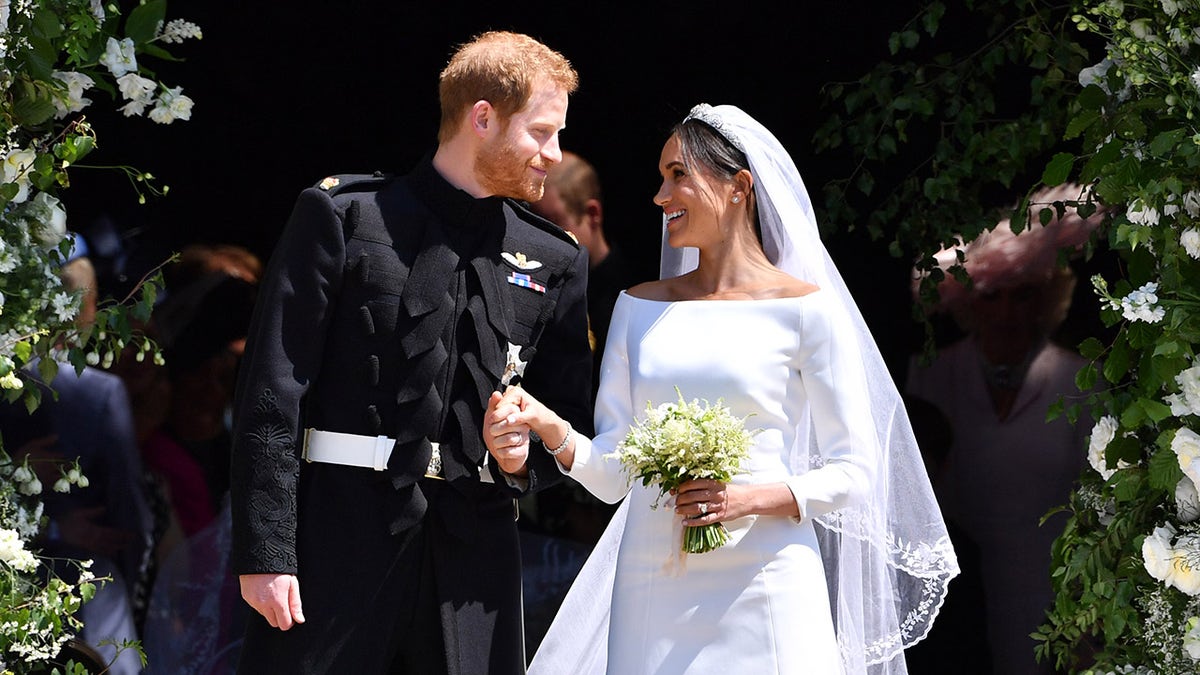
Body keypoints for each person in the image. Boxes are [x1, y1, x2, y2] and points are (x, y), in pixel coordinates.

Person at [484, 104, 959, 674]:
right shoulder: (637, 308)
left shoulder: (807, 312)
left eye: (678, 174)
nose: (661, 196)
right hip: (651, 586)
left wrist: (745, 499)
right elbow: (613, 476)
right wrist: (551, 428)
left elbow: (855, 472)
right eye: (661, 177)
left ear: (739, 186)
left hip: (769, 580)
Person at [228, 31, 593, 674]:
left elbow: (567, 414)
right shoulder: (344, 215)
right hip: (335, 542)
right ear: (483, 117)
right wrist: (266, 551)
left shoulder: (557, 259)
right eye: (540, 132)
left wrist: (522, 458)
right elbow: (272, 389)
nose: (553, 155)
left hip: (476, 563)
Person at [905, 185, 1100, 675]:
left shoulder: (1082, 380)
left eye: (1024, 295)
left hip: (1056, 596)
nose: (1009, 313)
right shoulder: (929, 375)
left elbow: (1100, 506)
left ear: (1046, 296)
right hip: (956, 599)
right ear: (969, 301)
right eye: (994, 297)